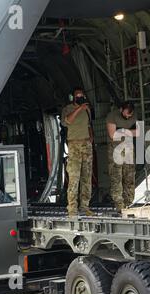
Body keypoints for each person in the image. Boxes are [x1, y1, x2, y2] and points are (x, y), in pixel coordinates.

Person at [61, 87, 94, 217]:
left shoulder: (87, 110)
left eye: (82, 95)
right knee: (74, 178)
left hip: (86, 144)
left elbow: (88, 125)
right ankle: (72, 208)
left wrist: (91, 138)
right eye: (78, 95)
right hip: (74, 145)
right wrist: (79, 108)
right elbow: (67, 121)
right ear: (73, 97)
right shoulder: (68, 109)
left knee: (87, 177)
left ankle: (85, 206)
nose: (80, 97)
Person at [106, 101, 139, 212]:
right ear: (121, 109)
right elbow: (113, 135)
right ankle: (119, 205)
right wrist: (129, 132)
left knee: (129, 176)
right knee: (117, 177)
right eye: (126, 114)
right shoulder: (112, 116)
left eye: (130, 115)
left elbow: (138, 132)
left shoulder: (134, 116)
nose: (128, 116)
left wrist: (122, 131)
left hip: (129, 148)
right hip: (116, 149)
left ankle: (128, 203)